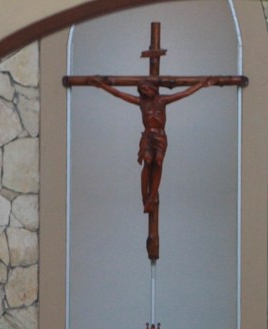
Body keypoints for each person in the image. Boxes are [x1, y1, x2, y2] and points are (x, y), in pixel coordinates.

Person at [86, 77, 216, 260]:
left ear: (153, 88)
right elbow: (119, 94)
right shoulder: (140, 103)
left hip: (160, 136)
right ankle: (144, 197)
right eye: (142, 89)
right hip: (147, 136)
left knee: (159, 162)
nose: (145, 91)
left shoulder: (162, 100)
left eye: (147, 88)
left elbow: (183, 93)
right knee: (148, 161)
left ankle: (153, 195)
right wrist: (103, 86)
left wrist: (200, 85)